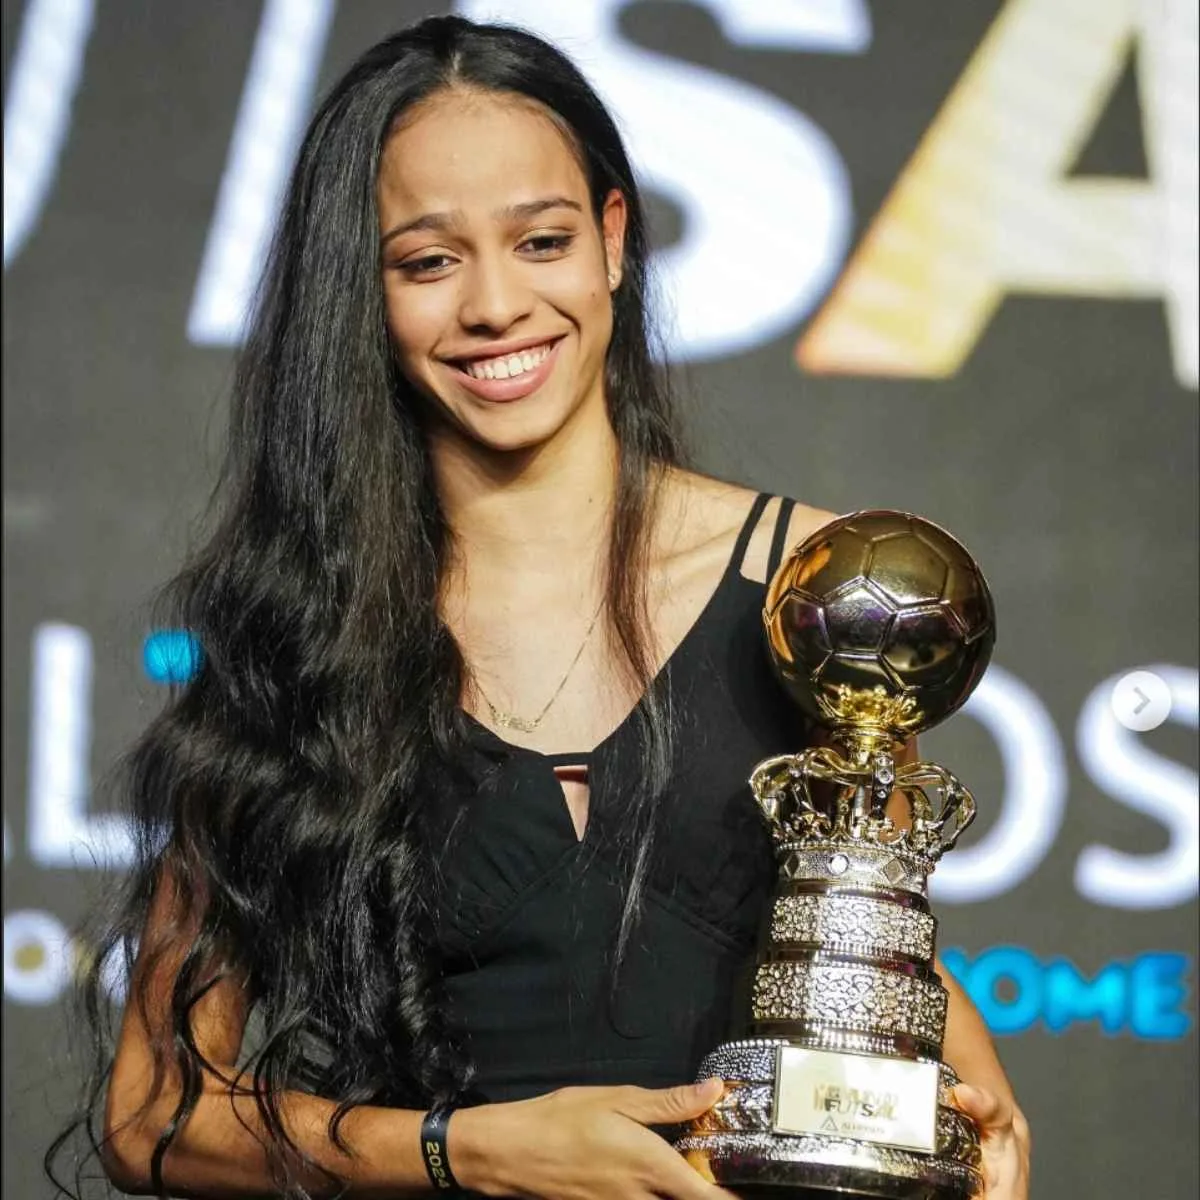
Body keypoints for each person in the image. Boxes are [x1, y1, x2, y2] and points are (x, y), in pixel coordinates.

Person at [48, 15, 1029, 1200]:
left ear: (613, 242)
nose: (497, 305)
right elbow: (154, 1116)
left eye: (543, 239)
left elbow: (868, 944)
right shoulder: (302, 632)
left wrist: (976, 1137)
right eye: (428, 261)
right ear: (368, 293)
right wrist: (467, 1152)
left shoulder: (808, 589)